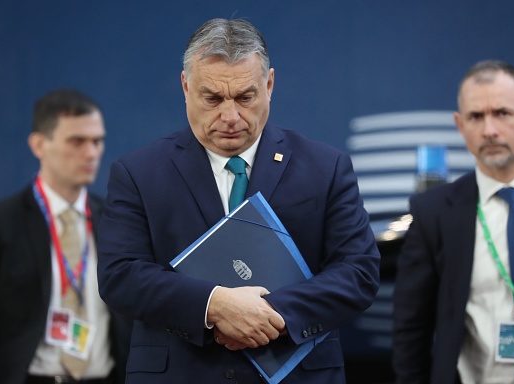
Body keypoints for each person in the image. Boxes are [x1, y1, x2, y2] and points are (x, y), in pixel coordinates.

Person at [96, 18, 380, 384]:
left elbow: (358, 272)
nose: (230, 117)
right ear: (185, 87)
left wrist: (268, 314)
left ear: (270, 84)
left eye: (245, 97)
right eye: (212, 98)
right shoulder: (139, 173)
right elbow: (120, 276)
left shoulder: (326, 168)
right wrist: (215, 305)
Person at [0, 89, 131, 384]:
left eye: (97, 141)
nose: (91, 152)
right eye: (77, 141)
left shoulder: (117, 220)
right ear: (38, 144)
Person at [393, 60, 514, 384]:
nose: (489, 129)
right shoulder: (434, 213)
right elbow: (411, 329)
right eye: (476, 117)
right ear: (460, 125)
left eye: (502, 113)